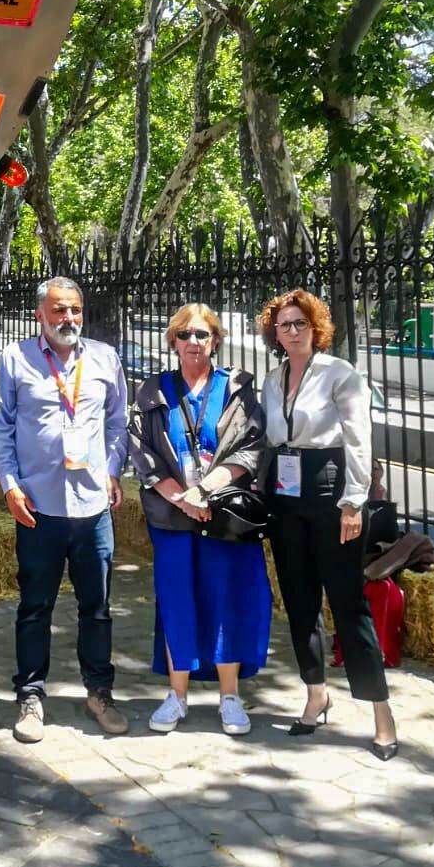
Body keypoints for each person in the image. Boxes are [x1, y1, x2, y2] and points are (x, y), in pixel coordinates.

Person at [258, 288, 399, 760]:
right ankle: (315, 694)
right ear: (274, 333)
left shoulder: (340, 374)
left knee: (347, 602)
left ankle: (381, 712)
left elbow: (360, 439)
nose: (292, 332)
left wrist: (353, 502)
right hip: (284, 492)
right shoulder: (272, 379)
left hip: (329, 487)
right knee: (299, 601)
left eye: (300, 324)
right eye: (284, 325)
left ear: (316, 328)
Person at [0, 277, 130, 742]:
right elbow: (2, 428)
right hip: (39, 507)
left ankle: (99, 692)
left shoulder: (105, 359)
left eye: (74, 309)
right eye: (58, 310)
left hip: (92, 508)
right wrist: (9, 486)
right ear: (40, 315)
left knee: (98, 607)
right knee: (35, 607)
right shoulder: (16, 358)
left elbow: (116, 423)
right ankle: (30, 695)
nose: (68, 318)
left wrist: (112, 471)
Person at [128, 303, 270, 736]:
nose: (194, 343)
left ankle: (230, 698)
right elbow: (141, 452)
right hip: (172, 517)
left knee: (226, 598)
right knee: (177, 600)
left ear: (216, 340)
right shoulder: (154, 391)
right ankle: (177, 696)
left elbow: (251, 448)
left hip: (224, 515)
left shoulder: (236, 388)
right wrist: (183, 498)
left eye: (202, 335)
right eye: (185, 335)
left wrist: (205, 492)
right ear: (172, 341)